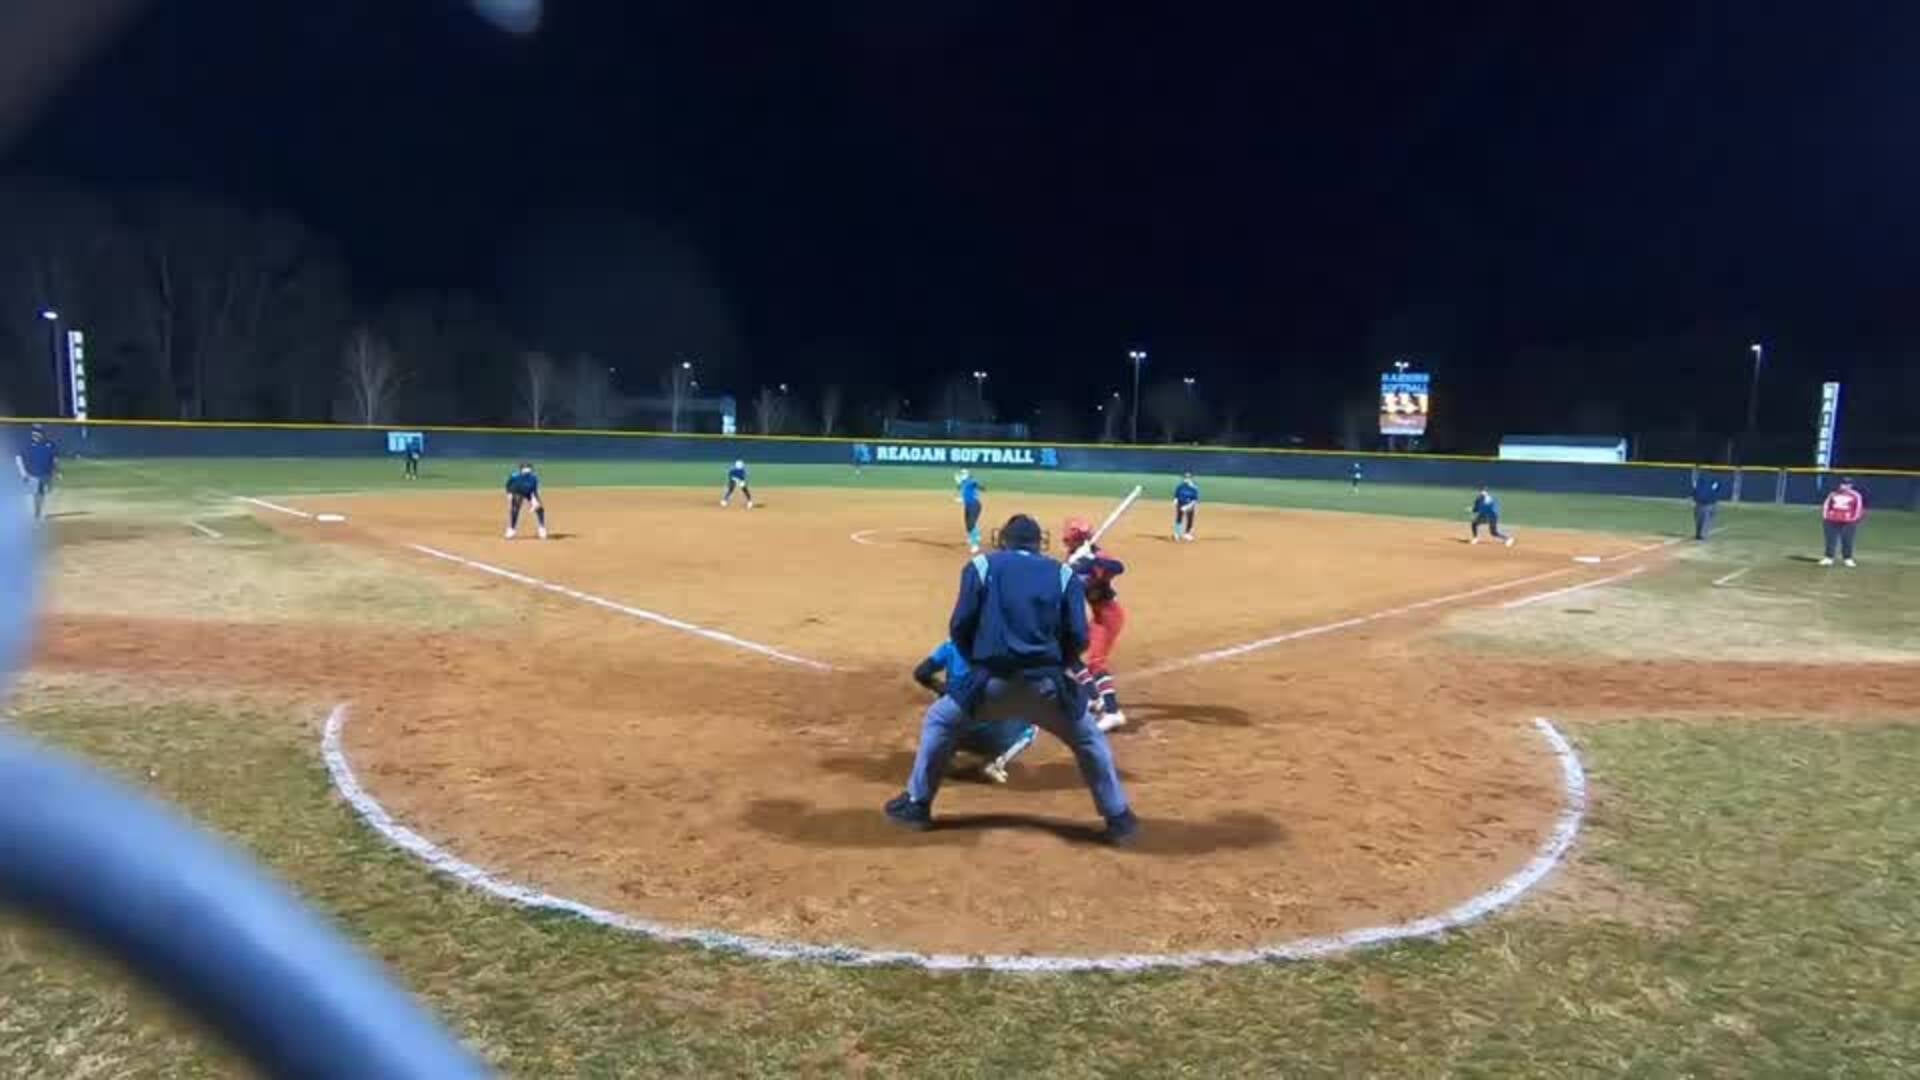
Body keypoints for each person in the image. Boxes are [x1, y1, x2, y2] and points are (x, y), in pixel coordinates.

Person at [885, 513, 1138, 845]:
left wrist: (978, 662)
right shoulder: (1063, 574)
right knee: (1089, 739)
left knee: (939, 721)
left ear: (1004, 540)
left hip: (989, 683)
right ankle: (1118, 817)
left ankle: (917, 806)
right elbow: (1078, 637)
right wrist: (1055, 664)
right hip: (1048, 687)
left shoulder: (980, 567)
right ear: (1038, 544)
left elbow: (960, 627)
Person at [913, 640, 1037, 784]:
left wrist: (948, 691)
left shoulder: (951, 645)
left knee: (943, 709)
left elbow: (921, 673)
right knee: (1031, 725)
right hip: (991, 738)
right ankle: (996, 764)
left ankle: (942, 755)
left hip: (954, 729)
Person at [1062, 517, 1130, 732]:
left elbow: (1119, 567)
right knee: (1070, 654)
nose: (1066, 541)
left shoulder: (1096, 555)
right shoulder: (1075, 557)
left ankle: (1113, 712)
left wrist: (1093, 562)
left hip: (1110, 615)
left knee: (1096, 662)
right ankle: (1094, 698)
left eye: (1070, 538)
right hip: (1097, 616)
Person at [1819, 477, 1866, 567]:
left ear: (1851, 485)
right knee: (1830, 540)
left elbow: (1858, 508)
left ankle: (1847, 558)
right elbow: (1826, 505)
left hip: (1848, 522)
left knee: (1847, 540)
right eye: (1843, 484)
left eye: (1847, 484)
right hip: (1831, 520)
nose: (1845, 486)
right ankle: (1828, 557)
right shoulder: (1833, 494)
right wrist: (1826, 517)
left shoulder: (1856, 495)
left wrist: (1853, 519)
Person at [15, 425, 57, 521]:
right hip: (32, 474)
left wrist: (55, 472)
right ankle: (32, 515)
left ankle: (38, 514)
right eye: (34, 432)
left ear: (42, 434)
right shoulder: (27, 445)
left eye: (38, 432)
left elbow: (54, 460)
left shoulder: (49, 444)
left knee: (42, 494)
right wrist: (23, 473)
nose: (36, 435)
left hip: (46, 474)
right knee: (33, 494)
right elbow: (18, 458)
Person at [503, 463, 548, 539]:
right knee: (515, 509)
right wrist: (509, 493)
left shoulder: (534, 478)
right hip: (517, 492)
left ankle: (542, 528)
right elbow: (508, 484)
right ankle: (511, 529)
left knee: (540, 509)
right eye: (525, 468)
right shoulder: (515, 476)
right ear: (521, 470)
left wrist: (535, 502)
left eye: (529, 468)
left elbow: (534, 490)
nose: (527, 470)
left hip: (529, 492)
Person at [955, 469, 983, 553]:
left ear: (967, 474)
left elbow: (976, 485)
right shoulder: (964, 482)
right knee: (968, 524)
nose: (962, 475)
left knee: (971, 523)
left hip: (974, 505)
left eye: (963, 474)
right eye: (961, 474)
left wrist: (979, 486)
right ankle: (976, 536)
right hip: (968, 506)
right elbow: (961, 489)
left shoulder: (971, 481)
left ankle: (975, 545)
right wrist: (959, 484)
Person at [1690, 474, 1722, 541]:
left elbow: (1694, 492)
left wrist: (1694, 499)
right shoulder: (1714, 482)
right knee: (1705, 520)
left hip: (1703, 504)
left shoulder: (1698, 482)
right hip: (1706, 504)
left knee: (1702, 520)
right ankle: (1701, 535)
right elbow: (1716, 492)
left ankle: (1701, 535)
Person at [1172, 472, 1200, 541]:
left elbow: (1195, 500)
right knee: (1179, 518)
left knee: (1190, 519)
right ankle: (1177, 533)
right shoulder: (1180, 486)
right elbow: (1176, 495)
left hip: (1190, 505)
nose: (1186, 479)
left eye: (1188, 478)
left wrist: (1187, 507)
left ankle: (1187, 534)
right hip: (1181, 504)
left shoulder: (1194, 488)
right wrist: (1175, 501)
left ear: (1191, 479)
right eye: (1185, 477)